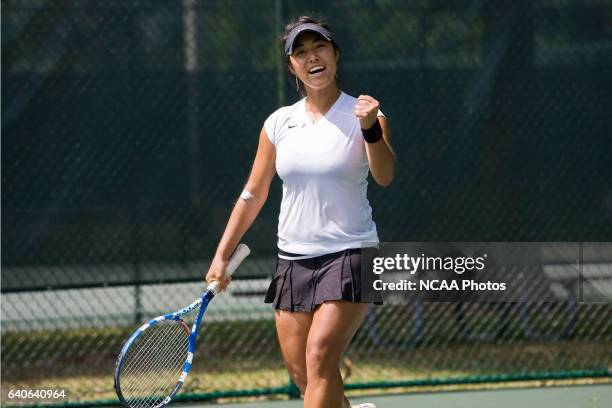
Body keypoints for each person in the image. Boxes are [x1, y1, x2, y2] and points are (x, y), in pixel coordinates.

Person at [206, 15, 395, 408]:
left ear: (335, 54)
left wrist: (370, 129)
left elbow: (385, 175)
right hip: (294, 261)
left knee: (320, 354)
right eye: (301, 52)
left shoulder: (366, 115)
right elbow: (252, 195)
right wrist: (222, 255)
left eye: (319, 47)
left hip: (352, 254)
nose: (312, 57)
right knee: (304, 376)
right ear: (292, 65)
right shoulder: (279, 124)